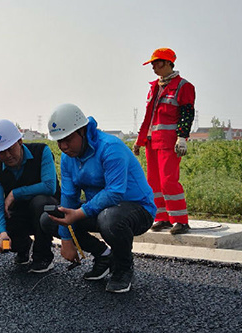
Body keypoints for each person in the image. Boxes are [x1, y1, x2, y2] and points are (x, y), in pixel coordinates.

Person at [41, 103, 156, 293]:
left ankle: (123, 268)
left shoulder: (110, 148)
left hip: (137, 209)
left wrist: (79, 213)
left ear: (83, 131)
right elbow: (69, 196)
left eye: (67, 139)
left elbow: (115, 192)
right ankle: (104, 255)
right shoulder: (68, 158)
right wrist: (66, 239)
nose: (63, 146)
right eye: (59, 141)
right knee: (49, 220)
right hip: (101, 209)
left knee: (109, 219)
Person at [133, 47, 196, 235]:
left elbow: (186, 114)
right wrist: (139, 140)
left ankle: (180, 220)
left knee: (169, 181)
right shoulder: (154, 86)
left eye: (157, 62)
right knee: (153, 182)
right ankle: (162, 218)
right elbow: (148, 117)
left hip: (170, 143)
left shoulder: (183, 86)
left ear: (169, 63)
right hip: (152, 143)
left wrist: (182, 137)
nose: (153, 67)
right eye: (152, 63)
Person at [0, 119, 60, 273]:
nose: (6, 155)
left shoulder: (42, 152)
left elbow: (49, 186)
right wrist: (2, 233)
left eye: (10, 149)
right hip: (22, 217)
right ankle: (23, 247)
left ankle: (43, 257)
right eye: (0, 152)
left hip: (50, 216)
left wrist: (15, 194)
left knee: (40, 203)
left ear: (19, 141)